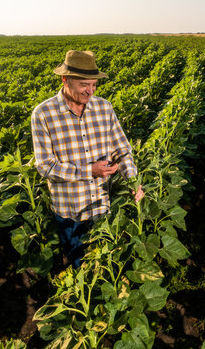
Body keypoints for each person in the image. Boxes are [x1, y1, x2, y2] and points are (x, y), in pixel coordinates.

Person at [31, 49, 144, 268]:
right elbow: (45, 166)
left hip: (103, 205)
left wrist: (132, 180)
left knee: (107, 264)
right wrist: (88, 171)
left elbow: (122, 150)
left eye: (93, 85)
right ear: (65, 79)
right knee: (79, 266)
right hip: (70, 211)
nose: (90, 91)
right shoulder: (43, 114)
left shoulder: (104, 108)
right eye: (84, 85)